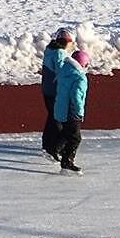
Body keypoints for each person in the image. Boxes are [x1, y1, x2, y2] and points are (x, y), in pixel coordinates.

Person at [39, 27, 74, 160]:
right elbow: (61, 73)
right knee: (57, 118)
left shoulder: (49, 50)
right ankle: (54, 147)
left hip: (46, 88)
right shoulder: (60, 53)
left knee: (52, 116)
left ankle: (46, 143)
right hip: (54, 90)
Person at [53, 48, 89, 173]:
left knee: (67, 132)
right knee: (75, 138)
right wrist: (79, 112)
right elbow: (76, 96)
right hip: (71, 112)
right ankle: (67, 162)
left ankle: (55, 148)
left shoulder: (64, 71)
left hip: (60, 109)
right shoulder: (80, 78)